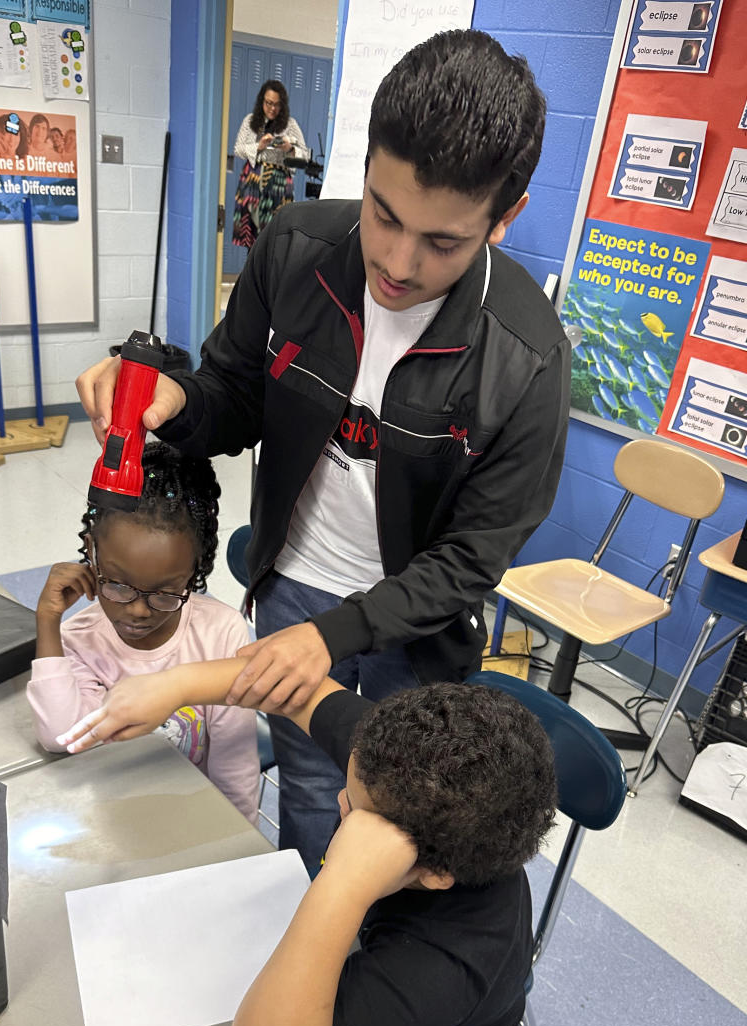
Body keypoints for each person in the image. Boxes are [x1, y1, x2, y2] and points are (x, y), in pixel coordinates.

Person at [76, 30, 570, 877]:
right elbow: (234, 397)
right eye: (383, 213)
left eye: (443, 242)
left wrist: (338, 634)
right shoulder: (296, 248)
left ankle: (376, 982)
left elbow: (468, 561)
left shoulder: (526, 357)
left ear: (505, 215)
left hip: (415, 630)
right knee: (309, 787)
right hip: (294, 583)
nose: (398, 262)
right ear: (367, 165)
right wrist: (177, 403)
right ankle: (314, 950)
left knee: (406, 822)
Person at [56, 661, 557, 1026]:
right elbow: (294, 687)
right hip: (374, 937)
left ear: (434, 873)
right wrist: (177, 684)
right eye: (349, 786)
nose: (340, 804)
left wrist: (342, 886)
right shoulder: (401, 766)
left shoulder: (450, 959)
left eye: (357, 813)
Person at [25, 443, 260, 825]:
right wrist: (48, 621)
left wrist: (239, 844)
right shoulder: (79, 638)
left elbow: (234, 765)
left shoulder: (220, 632)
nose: (137, 609)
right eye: (117, 585)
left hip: (193, 816)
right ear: (92, 552)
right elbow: (59, 735)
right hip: (113, 817)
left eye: (166, 594)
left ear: (194, 571)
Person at [231, 80, 308, 249]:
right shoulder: (250, 121)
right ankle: (252, 272)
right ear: (262, 101)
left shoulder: (290, 124)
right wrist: (259, 146)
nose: (272, 108)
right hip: (251, 184)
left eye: (277, 105)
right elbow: (238, 148)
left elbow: (305, 155)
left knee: (276, 238)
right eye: (268, 103)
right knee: (251, 238)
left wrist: (289, 149)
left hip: (279, 185)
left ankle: (271, 275)